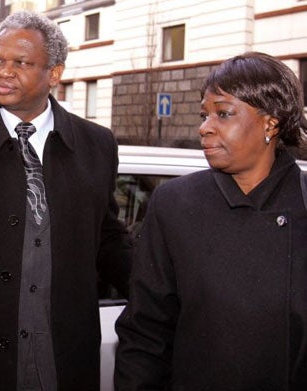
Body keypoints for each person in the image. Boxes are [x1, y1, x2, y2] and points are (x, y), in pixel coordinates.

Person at [0, 10, 133, 391]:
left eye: (20, 62)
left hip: (65, 360)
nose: (2, 72)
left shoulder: (97, 145)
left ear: (54, 73)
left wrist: (157, 291)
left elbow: (105, 236)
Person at [114, 52, 307, 390]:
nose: (205, 127)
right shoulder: (175, 204)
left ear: (271, 122)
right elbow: (145, 332)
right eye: (204, 115)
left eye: (223, 113)